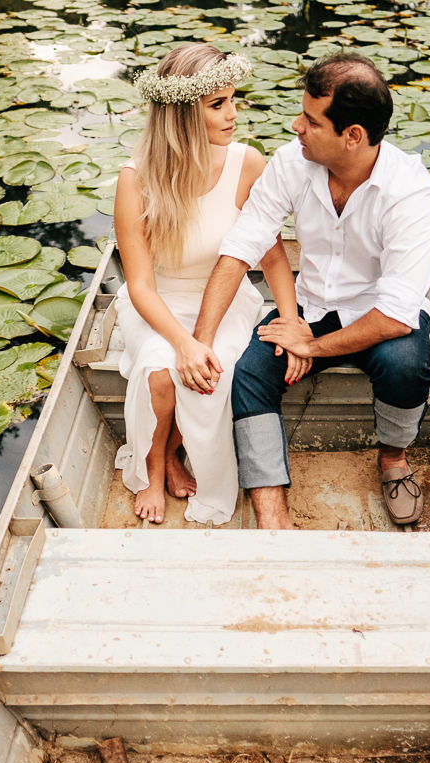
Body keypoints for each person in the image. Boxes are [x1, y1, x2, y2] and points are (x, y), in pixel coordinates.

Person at [188, 52, 430, 529]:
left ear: (353, 136)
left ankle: (393, 458)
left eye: (311, 120)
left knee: (406, 365)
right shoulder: (291, 162)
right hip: (310, 307)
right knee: (249, 374)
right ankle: (272, 512)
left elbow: (396, 314)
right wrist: (201, 341)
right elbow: (241, 248)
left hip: (378, 316)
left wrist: (311, 347)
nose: (296, 126)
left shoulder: (407, 188)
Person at [112, 43, 289, 525]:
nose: (233, 114)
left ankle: (178, 451)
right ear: (183, 114)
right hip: (158, 301)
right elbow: (140, 285)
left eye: (233, 100)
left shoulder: (246, 163)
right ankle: (155, 467)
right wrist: (183, 343)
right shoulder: (136, 179)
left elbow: (273, 255)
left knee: (213, 374)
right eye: (217, 104)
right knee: (159, 370)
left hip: (225, 299)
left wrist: (292, 321)